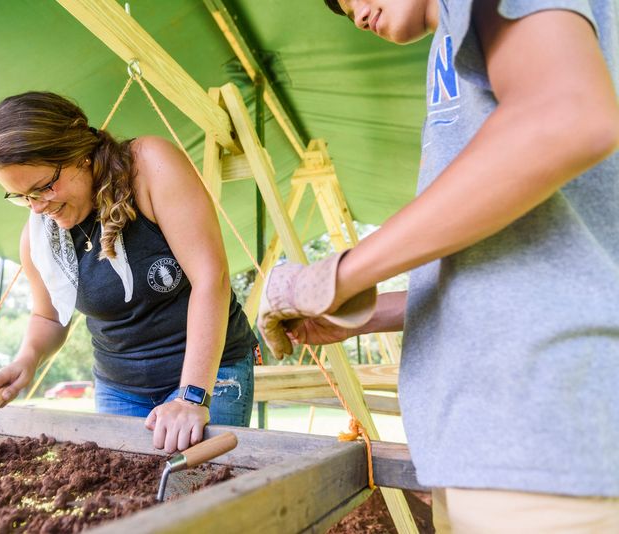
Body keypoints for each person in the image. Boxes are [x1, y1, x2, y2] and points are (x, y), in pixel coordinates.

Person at [259, 0, 619, 531]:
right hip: (494, 441)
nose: (356, 13)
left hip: (542, 430)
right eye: (342, 10)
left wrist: (336, 274)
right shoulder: (450, 45)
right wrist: (370, 310)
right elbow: (528, 266)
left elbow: (564, 113)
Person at [0, 91, 258, 453]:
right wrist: (27, 358)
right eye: (21, 197)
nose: (38, 207)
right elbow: (49, 315)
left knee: (195, 491)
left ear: (79, 152)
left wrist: (191, 398)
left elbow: (211, 279)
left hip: (209, 375)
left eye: (44, 187)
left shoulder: (150, 166)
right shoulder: (37, 237)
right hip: (120, 388)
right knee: (126, 499)